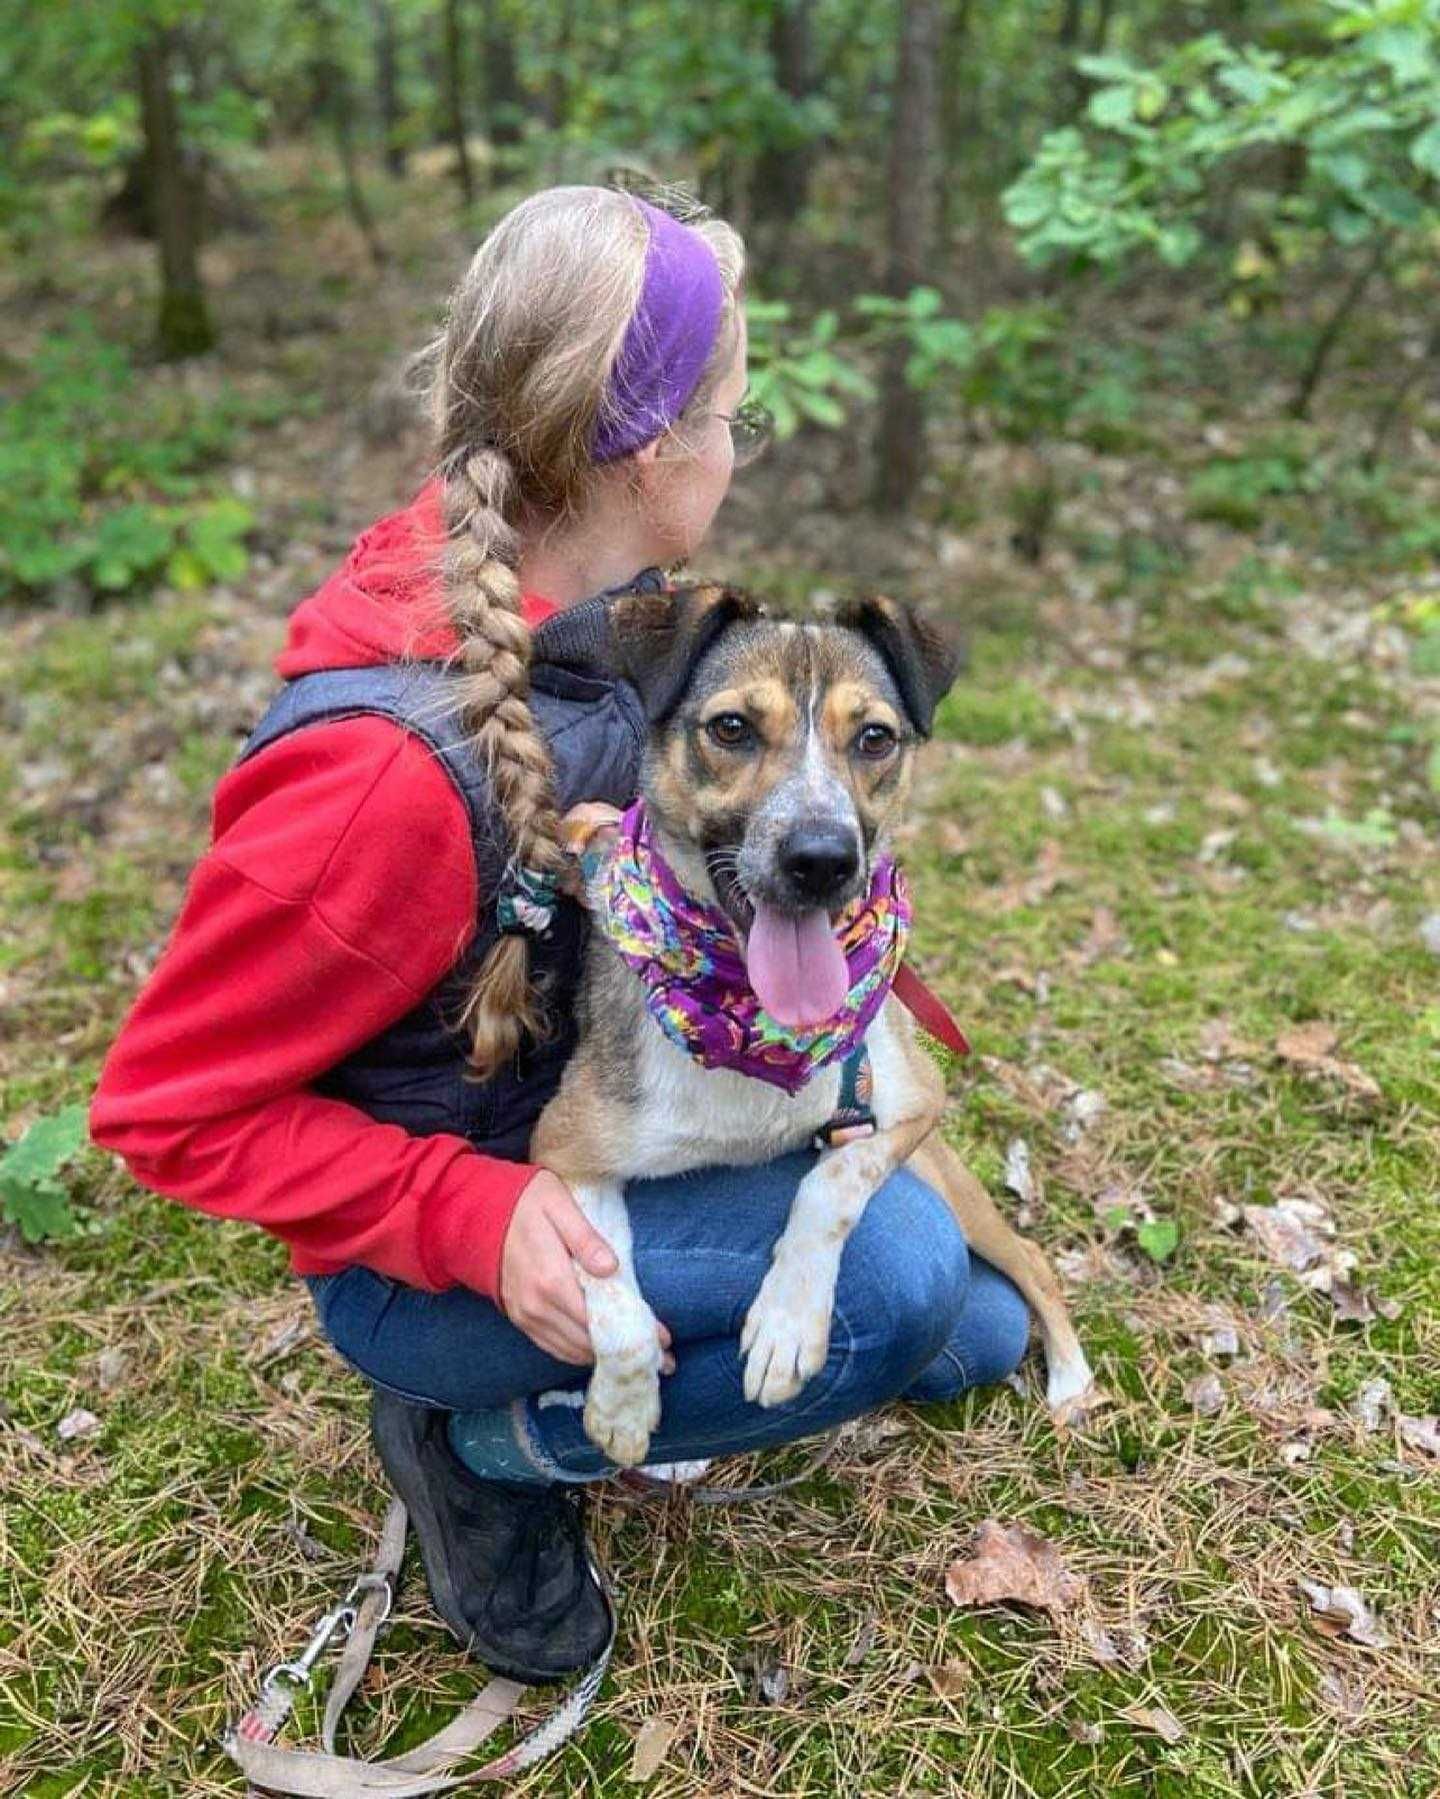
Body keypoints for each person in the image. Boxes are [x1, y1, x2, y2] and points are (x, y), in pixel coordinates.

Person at [89, 183, 1032, 1688]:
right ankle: (479, 1455)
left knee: (974, 1333)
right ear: (652, 449)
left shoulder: (622, 617)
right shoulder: (376, 782)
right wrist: (468, 1217)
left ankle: (681, 1342)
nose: (743, 445)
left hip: (616, 1110)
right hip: (449, 1229)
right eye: (737, 410)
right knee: (899, 1290)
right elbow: (161, 1112)